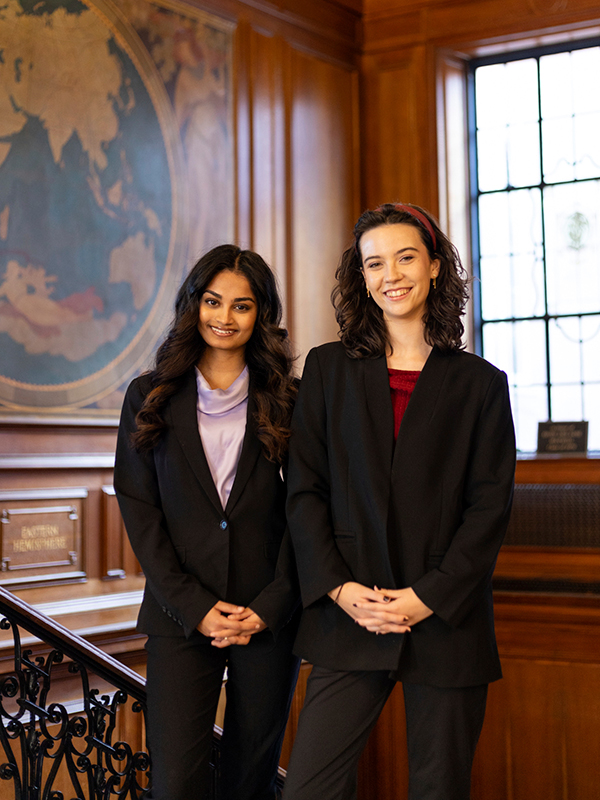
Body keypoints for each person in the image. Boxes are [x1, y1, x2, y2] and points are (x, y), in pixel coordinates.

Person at [282, 203, 516, 800]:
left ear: (435, 266)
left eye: (406, 257)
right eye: (375, 263)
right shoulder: (327, 369)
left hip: (447, 620)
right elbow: (305, 489)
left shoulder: (481, 384)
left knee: (440, 790)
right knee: (310, 787)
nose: (392, 274)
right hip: (349, 610)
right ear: (362, 277)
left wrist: (424, 598)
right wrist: (338, 588)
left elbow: (487, 512)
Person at [114, 244, 300, 800]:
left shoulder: (288, 399)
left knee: (252, 778)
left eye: (242, 306)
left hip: (267, 614)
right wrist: (193, 605)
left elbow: (307, 509)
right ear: (193, 303)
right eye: (213, 301)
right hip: (180, 614)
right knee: (176, 781)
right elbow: (139, 508)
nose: (224, 317)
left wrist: (272, 605)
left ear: (260, 315)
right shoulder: (149, 396)